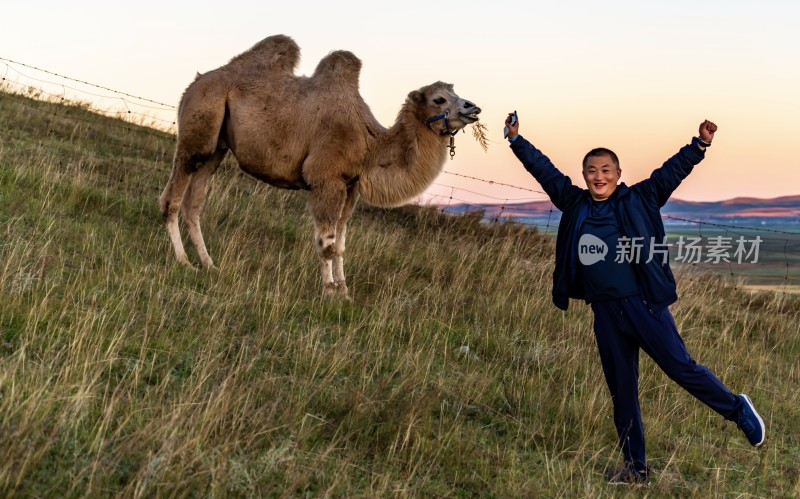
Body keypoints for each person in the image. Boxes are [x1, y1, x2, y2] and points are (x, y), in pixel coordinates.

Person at [504, 115, 765, 485]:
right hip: (605, 313)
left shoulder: (640, 198)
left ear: (618, 172)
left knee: (681, 368)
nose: (599, 176)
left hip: (642, 305)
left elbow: (669, 174)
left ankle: (736, 409)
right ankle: (635, 468)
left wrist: (699, 145)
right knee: (622, 391)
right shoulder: (574, 203)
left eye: (606, 170)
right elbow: (545, 172)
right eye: (592, 170)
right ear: (584, 175)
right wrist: (516, 140)